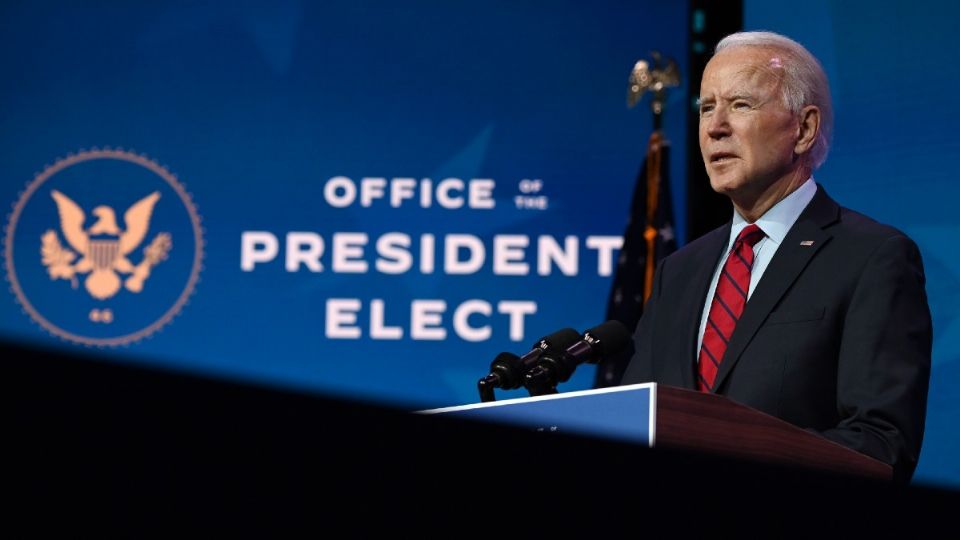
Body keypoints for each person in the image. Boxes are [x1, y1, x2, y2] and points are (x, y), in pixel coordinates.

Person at [620, 31, 932, 483]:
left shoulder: (872, 257)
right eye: (706, 107)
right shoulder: (679, 270)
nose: (714, 127)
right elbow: (633, 418)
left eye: (741, 105)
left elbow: (882, 445)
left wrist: (729, 454)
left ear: (803, 129)